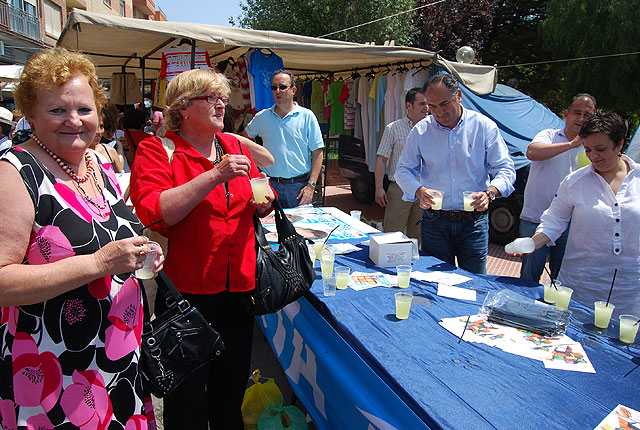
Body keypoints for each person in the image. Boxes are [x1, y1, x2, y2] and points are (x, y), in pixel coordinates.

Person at [0, 48, 163, 429]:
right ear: (30, 115)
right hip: (53, 368)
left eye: (84, 110)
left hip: (118, 362)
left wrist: (146, 254)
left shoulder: (96, 163)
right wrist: (99, 264)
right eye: (57, 110)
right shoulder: (15, 173)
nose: (74, 121)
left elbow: (113, 234)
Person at [130, 69, 274, 429]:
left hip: (239, 289)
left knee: (230, 392)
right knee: (186, 401)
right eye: (210, 97)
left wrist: (265, 203)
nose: (221, 103)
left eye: (222, 96)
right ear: (182, 107)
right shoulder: (157, 150)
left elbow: (259, 192)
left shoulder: (235, 146)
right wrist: (213, 175)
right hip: (185, 295)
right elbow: (157, 212)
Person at [515, 111, 640, 317]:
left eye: (601, 149)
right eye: (588, 149)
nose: (593, 156)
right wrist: (533, 243)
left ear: (620, 145)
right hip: (580, 287)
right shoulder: (575, 181)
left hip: (629, 291)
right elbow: (554, 220)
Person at [395, 74, 515, 274]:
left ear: (458, 96)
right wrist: (419, 190)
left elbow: (505, 169)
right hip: (435, 223)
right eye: (431, 107)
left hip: (474, 223)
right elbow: (403, 169)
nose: (439, 112)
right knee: (435, 283)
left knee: (474, 284)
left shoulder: (483, 126)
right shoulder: (421, 130)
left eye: (444, 104)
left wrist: (490, 193)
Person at [519, 94, 596, 282]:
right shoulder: (549, 135)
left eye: (587, 115)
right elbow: (532, 152)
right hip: (536, 219)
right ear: (566, 114)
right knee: (528, 279)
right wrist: (571, 145)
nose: (581, 119)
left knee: (561, 280)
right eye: (577, 113)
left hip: (572, 224)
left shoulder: (594, 147)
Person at [244, 69, 324, 208]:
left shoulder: (306, 116)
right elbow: (245, 138)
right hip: (268, 185)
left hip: (298, 187)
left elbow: (318, 152)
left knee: (299, 229)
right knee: (267, 227)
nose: (278, 91)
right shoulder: (262, 117)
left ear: (293, 90)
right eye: (274, 87)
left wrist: (311, 186)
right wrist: (256, 160)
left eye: (282, 87)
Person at [374, 87, 429, 241]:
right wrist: (379, 188)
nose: (426, 108)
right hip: (400, 190)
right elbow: (381, 159)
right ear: (408, 105)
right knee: (392, 235)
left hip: (424, 189)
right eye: (422, 104)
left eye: (428, 104)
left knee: (418, 237)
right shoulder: (393, 128)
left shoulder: (434, 129)